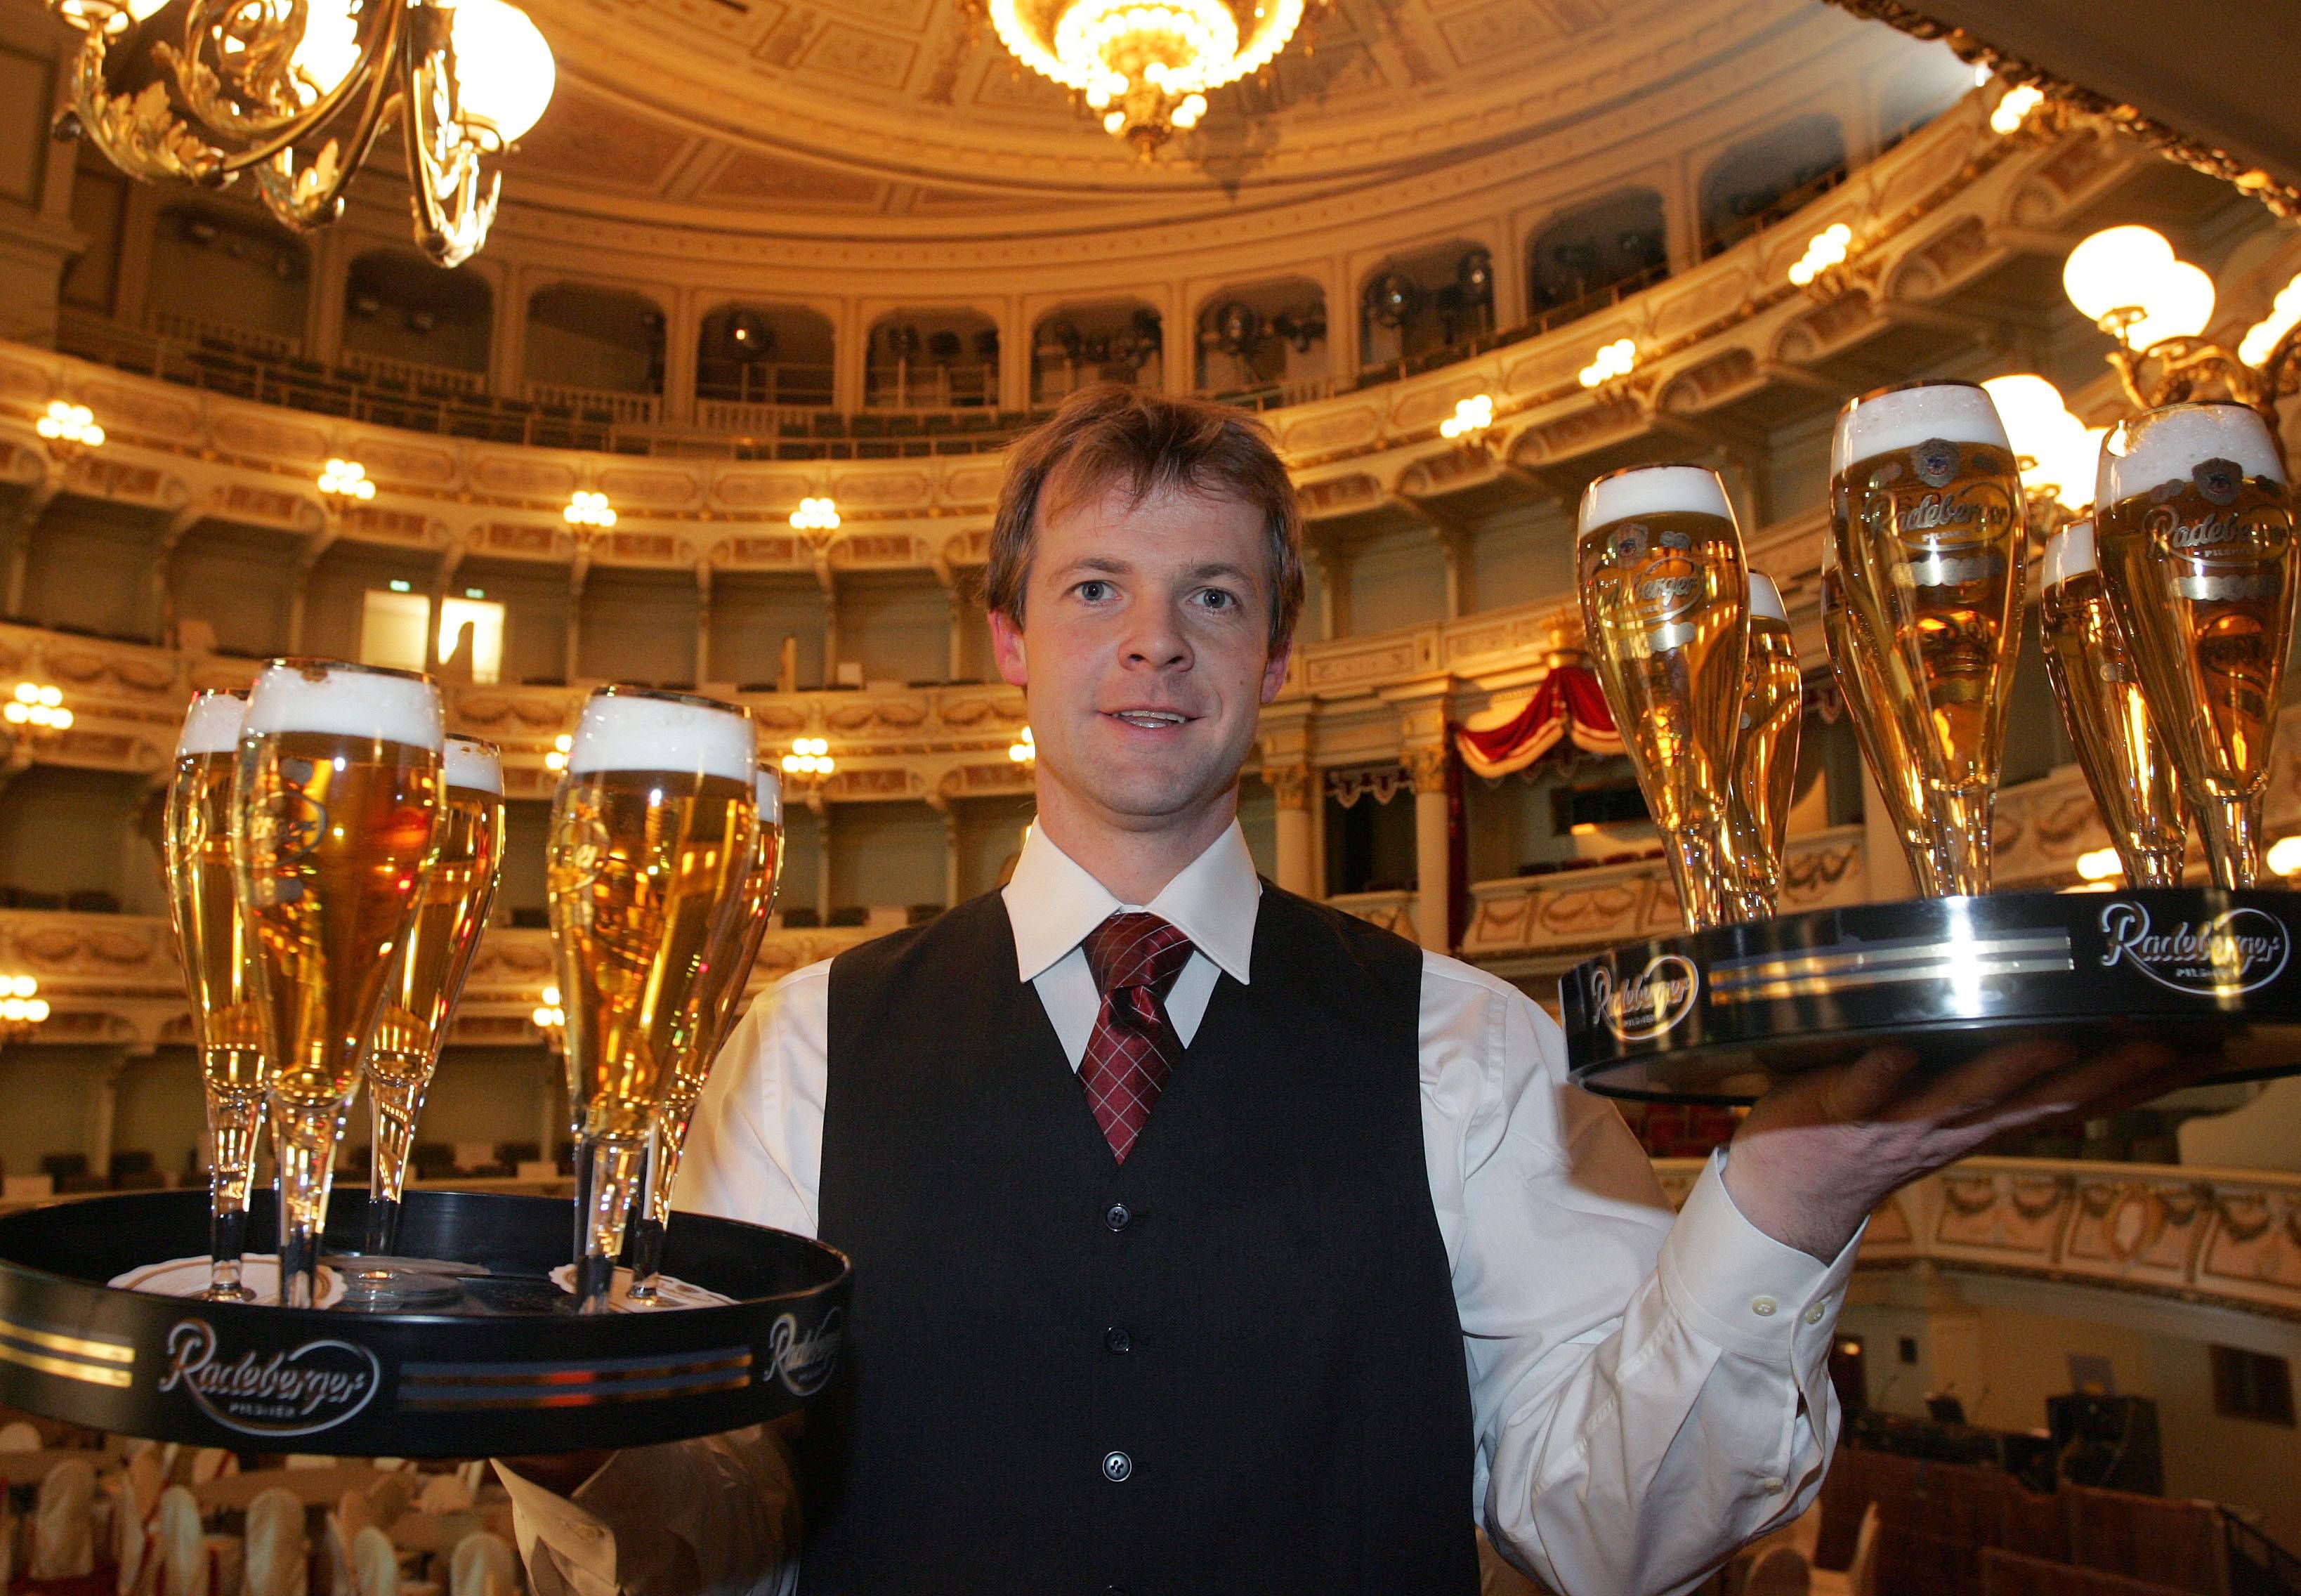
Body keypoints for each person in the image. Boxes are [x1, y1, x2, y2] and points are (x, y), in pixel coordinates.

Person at [499, 384, 2177, 1595]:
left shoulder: (1474, 1042)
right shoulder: (805, 1043)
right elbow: (713, 1511)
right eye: (1097, 589)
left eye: (1212, 596)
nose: (1156, 641)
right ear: (1009, 637)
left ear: (1279, 656)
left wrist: (1782, 1205)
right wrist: (567, 1438)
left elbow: (1604, 1535)